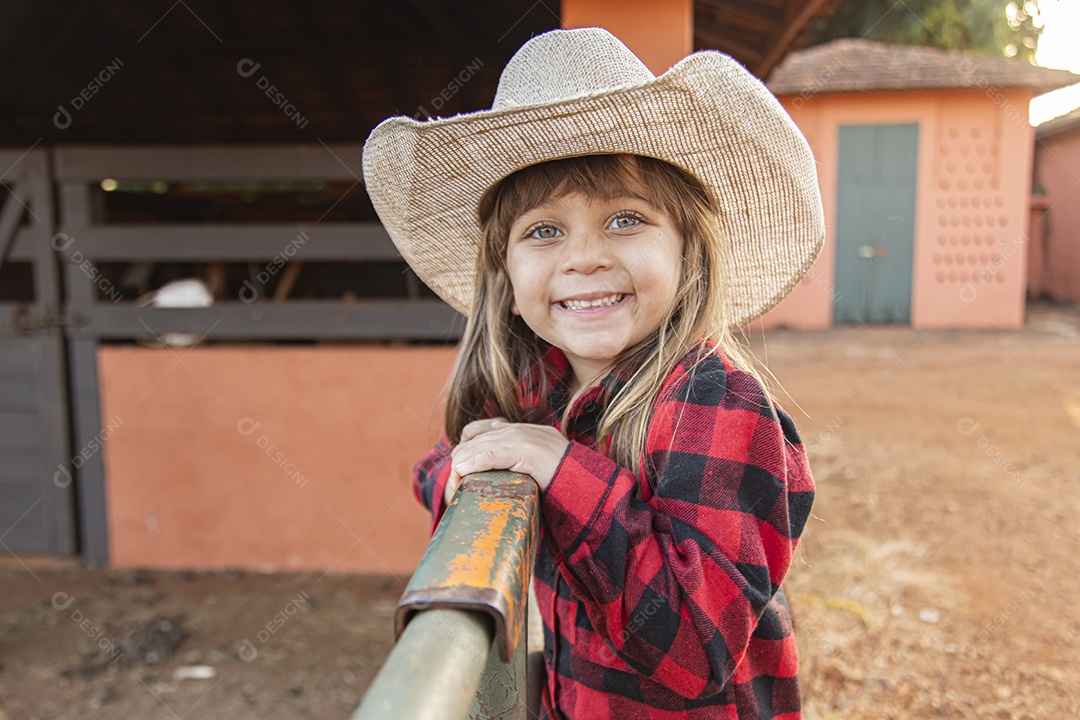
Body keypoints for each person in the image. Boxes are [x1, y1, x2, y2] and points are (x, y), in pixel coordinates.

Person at [363, 26, 824, 720]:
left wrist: (559, 469)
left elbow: (695, 652)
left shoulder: (717, 402)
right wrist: (471, 470)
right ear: (505, 272)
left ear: (686, 250)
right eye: (544, 231)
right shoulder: (533, 387)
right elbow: (435, 465)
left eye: (625, 220)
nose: (583, 258)